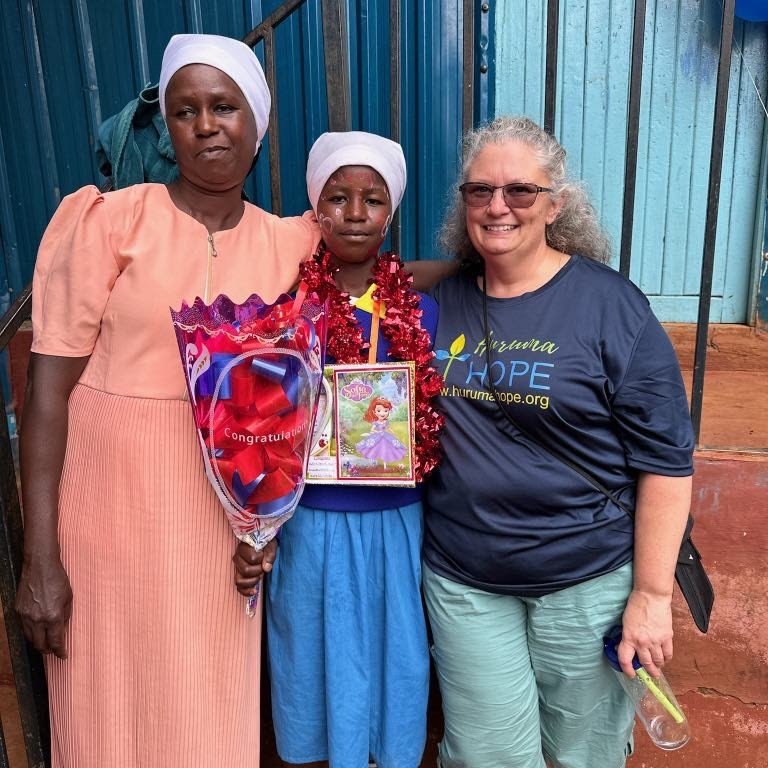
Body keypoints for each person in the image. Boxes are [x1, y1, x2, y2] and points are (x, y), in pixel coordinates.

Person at [15, 33, 320, 767]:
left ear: (258, 124)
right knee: (103, 715)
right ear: (169, 127)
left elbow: (390, 272)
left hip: (219, 529)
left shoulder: (294, 245)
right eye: (186, 110)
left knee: (204, 713)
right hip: (104, 524)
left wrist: (489, 259)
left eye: (224, 106)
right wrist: (40, 557)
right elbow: (47, 395)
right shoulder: (108, 222)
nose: (206, 124)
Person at [422, 116, 695, 768]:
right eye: (478, 191)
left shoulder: (610, 306)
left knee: (585, 757)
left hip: (587, 582)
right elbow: (365, 270)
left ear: (555, 205)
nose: (497, 206)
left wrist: (652, 598)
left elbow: (666, 461)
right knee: (485, 757)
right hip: (466, 584)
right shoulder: (442, 297)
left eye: (520, 191)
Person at [234, 131, 443, 768]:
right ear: (315, 210)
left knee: (394, 653)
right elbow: (255, 425)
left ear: (391, 211)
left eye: (373, 200)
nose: (356, 214)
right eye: (339, 198)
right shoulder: (285, 312)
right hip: (309, 524)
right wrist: (256, 524)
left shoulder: (425, 311)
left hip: (395, 524)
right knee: (309, 657)